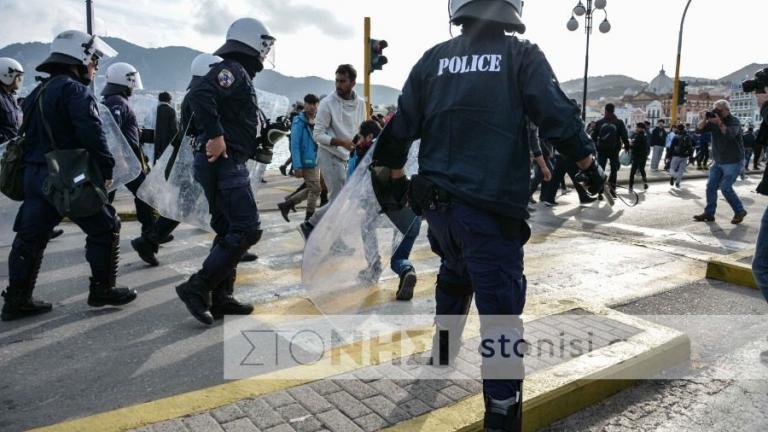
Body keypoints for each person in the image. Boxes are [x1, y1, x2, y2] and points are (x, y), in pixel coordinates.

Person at [369, 1, 606, 429]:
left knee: (454, 273)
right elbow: (558, 117)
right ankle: (501, 413)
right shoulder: (520, 56)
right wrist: (589, 167)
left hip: (439, 212)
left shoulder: (432, 60)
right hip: (490, 214)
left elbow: (398, 129)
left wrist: (395, 181)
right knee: (500, 314)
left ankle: (442, 354)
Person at [1, 31, 137, 321]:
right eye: (94, 59)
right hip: (67, 175)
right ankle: (102, 289)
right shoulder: (74, 90)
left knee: (29, 237)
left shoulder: (39, 90)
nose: (96, 66)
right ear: (81, 56)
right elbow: (92, 132)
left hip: (35, 175)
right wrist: (107, 168)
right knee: (105, 226)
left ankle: (17, 298)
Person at [175, 18, 275, 325]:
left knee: (229, 229)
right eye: (264, 46)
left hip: (226, 160)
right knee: (247, 229)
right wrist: (217, 136)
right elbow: (200, 95)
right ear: (253, 43)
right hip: (224, 161)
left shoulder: (239, 73)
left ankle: (221, 298)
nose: (264, 54)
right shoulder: (232, 70)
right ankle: (198, 287)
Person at [130, 53, 262, 266]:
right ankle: (230, 248)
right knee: (211, 208)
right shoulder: (201, 98)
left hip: (198, 160)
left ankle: (151, 239)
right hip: (205, 159)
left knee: (194, 205)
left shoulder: (194, 96)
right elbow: (198, 130)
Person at [298, 64, 366, 241]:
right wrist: (341, 141)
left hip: (347, 157)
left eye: (342, 81)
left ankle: (335, 240)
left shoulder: (361, 104)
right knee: (339, 198)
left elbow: (360, 128)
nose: (338, 85)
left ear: (353, 82)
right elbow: (317, 135)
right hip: (328, 154)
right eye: (336, 80)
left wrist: (360, 142)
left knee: (342, 200)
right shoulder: (327, 103)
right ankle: (310, 224)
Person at [0, 57, 63, 240]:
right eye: (18, 77)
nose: (20, 81)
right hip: (5, 154)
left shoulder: (9, 98)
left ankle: (38, 227)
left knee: (29, 190)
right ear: (6, 75)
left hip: (12, 154)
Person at [356, 120, 420, 300]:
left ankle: (374, 266)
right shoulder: (413, 149)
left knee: (366, 225)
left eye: (360, 136)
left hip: (394, 210)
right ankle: (406, 271)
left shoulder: (380, 157)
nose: (357, 140)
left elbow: (369, 197)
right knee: (399, 258)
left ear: (370, 137)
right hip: (413, 217)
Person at [101, 62, 157, 238]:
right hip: (125, 161)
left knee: (108, 199)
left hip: (124, 161)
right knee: (145, 193)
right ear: (125, 81)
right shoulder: (117, 103)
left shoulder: (114, 101)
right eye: (132, 80)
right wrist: (120, 160)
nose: (134, 85)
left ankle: (106, 233)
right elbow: (111, 134)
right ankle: (150, 234)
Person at [694, 100, 747, 224]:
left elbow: (730, 135)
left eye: (719, 110)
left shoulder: (734, 121)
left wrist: (719, 123)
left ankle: (740, 211)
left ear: (726, 110)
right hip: (718, 160)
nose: (716, 113)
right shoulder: (713, 121)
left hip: (733, 161)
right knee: (710, 186)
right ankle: (709, 213)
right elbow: (698, 130)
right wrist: (704, 118)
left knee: (725, 188)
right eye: (715, 110)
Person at [278, 93, 321, 222]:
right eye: (309, 104)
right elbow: (295, 145)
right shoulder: (298, 122)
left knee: (314, 188)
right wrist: (297, 166)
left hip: (316, 160)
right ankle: (308, 219)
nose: (312, 107)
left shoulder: (318, 120)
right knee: (316, 189)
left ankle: (287, 205)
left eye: (314, 104)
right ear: (305, 105)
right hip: (306, 161)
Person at [591, 103, 629, 196]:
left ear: (605, 110)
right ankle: (612, 190)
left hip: (602, 150)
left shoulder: (599, 122)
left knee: (601, 170)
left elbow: (593, 137)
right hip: (614, 150)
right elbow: (624, 136)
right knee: (614, 170)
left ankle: (600, 191)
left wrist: (594, 149)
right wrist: (627, 147)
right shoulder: (619, 122)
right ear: (613, 110)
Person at [154, 91, 178, 164]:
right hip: (167, 143)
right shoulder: (171, 110)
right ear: (169, 100)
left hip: (156, 143)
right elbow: (174, 129)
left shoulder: (155, 110)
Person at [668, 124, 694, 188]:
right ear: (684, 128)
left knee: (672, 169)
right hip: (685, 156)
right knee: (681, 170)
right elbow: (691, 147)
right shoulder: (688, 136)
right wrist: (691, 156)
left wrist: (668, 155)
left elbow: (671, 147)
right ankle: (677, 182)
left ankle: (674, 176)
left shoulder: (676, 136)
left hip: (676, 155)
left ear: (677, 129)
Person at [628, 122, 649, 192]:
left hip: (637, 156)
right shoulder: (645, 135)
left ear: (641, 128)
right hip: (643, 156)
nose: (636, 128)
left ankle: (630, 187)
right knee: (642, 169)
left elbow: (635, 147)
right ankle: (645, 182)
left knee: (632, 172)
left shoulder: (639, 136)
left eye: (637, 127)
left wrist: (630, 144)